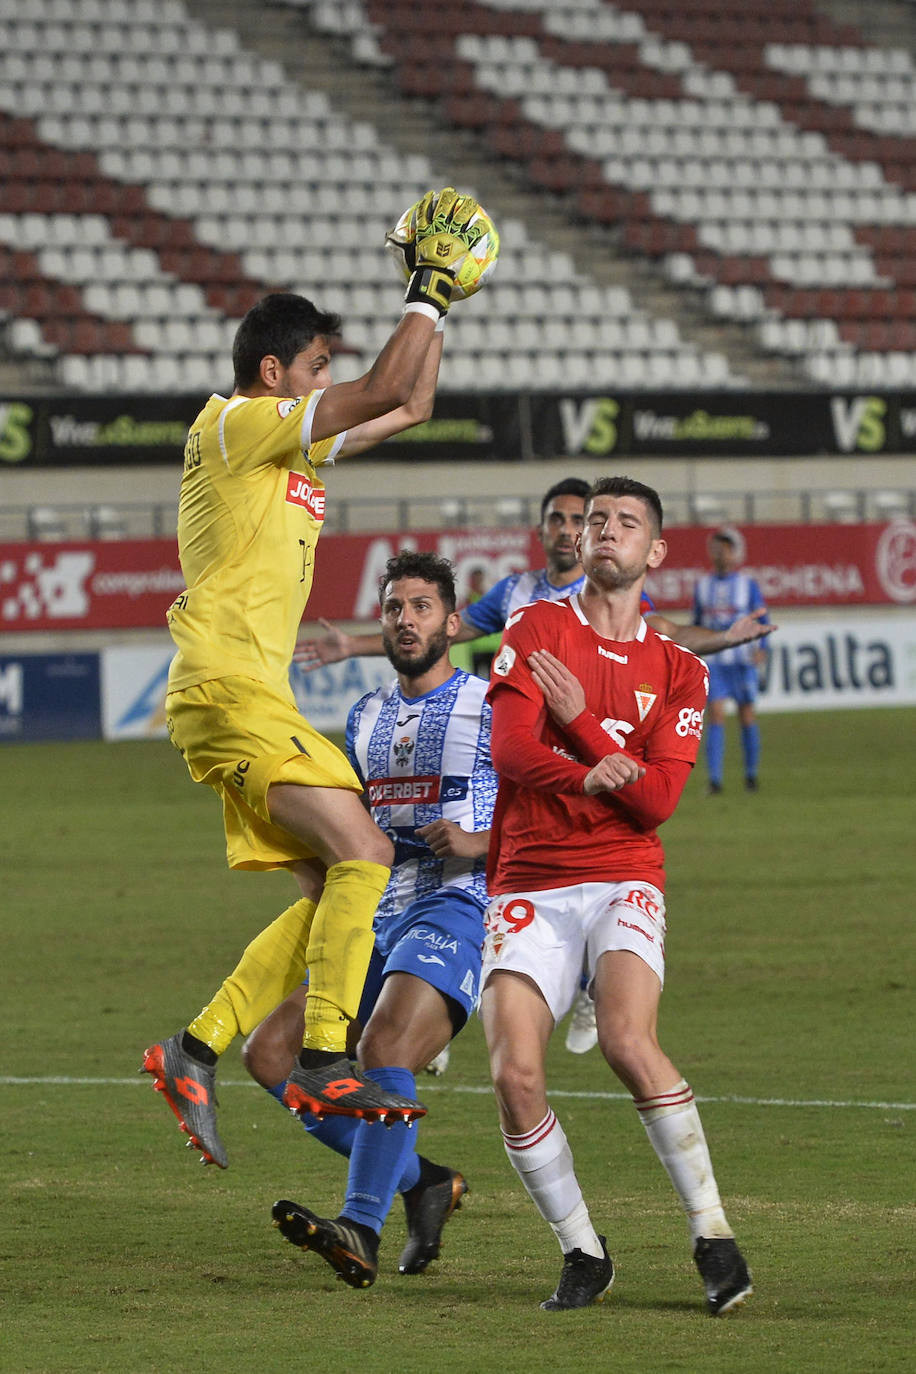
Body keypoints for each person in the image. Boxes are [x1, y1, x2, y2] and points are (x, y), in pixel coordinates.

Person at [141, 188, 490, 1169]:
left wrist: (442, 304)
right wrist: (422, 289)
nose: (322, 384)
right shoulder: (235, 422)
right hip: (229, 688)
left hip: (246, 699)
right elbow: (382, 384)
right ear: (272, 373)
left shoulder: (288, 444)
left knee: (324, 892)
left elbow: (409, 401)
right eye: (313, 369)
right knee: (368, 852)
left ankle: (196, 1046)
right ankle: (329, 1051)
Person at [295, 479, 775, 1058]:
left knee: (578, 853)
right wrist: (353, 645)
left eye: (581, 519)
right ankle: (441, 993)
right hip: (524, 724)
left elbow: (666, 633)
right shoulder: (518, 593)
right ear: (545, 529)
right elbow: (445, 627)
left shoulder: (614, 587)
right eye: (560, 519)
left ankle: (590, 974)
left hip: (586, 736)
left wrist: (721, 640)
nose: (572, 530)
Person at [478, 475, 752, 1316]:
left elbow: (660, 802)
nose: (604, 532)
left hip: (625, 873)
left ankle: (712, 1233)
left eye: (626, 523)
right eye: (596, 519)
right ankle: (583, 1250)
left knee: (630, 1042)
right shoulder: (536, 626)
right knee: (514, 1074)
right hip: (529, 874)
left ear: (655, 551)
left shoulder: (680, 670)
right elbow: (514, 750)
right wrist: (595, 769)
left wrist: (588, 732)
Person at [242, 551, 496, 1287]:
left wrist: (484, 842)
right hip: (378, 914)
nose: (406, 620)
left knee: (384, 1045)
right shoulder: (366, 716)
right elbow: (353, 831)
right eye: (394, 608)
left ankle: (361, 1224)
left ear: (453, 622)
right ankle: (421, 1181)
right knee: (271, 1057)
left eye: (421, 607)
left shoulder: (493, 705)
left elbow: (557, 806)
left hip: (460, 903)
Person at [692, 527, 770, 795]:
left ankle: (751, 776)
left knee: (747, 715)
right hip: (715, 660)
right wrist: (696, 649)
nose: (719, 552)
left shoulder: (747, 584)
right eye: (715, 547)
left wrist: (763, 647)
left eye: (724, 548)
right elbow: (697, 623)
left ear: (734, 553)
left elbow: (763, 618)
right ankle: (715, 780)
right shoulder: (702, 586)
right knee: (715, 714)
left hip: (742, 660)